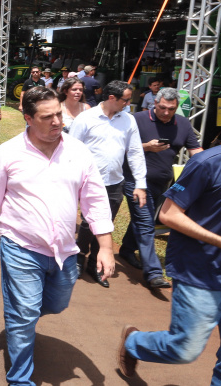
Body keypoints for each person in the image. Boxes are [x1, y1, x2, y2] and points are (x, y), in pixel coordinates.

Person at [119, 92, 221, 384]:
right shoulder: (209, 163)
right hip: (198, 274)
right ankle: (134, 343)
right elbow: (169, 215)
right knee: (184, 350)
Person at [0, 86, 114, 386]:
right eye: (47, 117)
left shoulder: (78, 152)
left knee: (55, 304)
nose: (57, 122)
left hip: (65, 251)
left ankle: (18, 319)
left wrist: (105, 247)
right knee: (25, 315)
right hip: (21, 247)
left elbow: (95, 200)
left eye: (59, 114)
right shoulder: (7, 154)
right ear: (27, 118)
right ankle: (20, 379)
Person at [119, 87, 202, 289]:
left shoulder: (182, 123)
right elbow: (119, 146)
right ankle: (154, 273)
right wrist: (146, 146)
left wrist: (212, 165)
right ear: (154, 103)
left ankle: (127, 249)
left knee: (142, 218)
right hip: (135, 180)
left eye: (171, 109)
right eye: (162, 107)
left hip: (161, 183)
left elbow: (196, 150)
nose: (166, 112)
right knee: (147, 223)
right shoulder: (136, 119)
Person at [69, 80, 147, 288]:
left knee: (106, 224)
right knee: (88, 222)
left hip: (115, 183)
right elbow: (71, 149)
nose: (128, 104)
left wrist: (140, 183)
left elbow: (136, 152)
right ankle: (78, 257)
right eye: (126, 100)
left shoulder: (128, 120)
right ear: (112, 98)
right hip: (89, 182)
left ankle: (95, 263)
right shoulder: (86, 118)